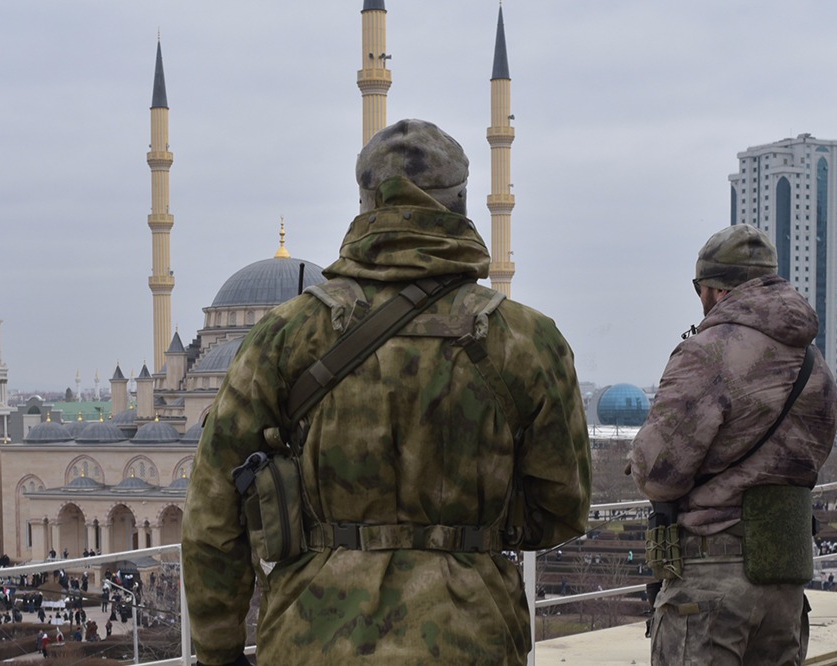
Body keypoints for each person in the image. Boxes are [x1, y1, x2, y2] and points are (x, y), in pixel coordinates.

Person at [181, 118, 591, 665]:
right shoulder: (526, 340)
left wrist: (219, 652)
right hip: (472, 636)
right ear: (461, 203)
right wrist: (467, 522)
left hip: (312, 639)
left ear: (365, 203)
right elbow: (561, 507)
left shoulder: (286, 336)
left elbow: (213, 511)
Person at [630, 224, 837, 665]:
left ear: (716, 289)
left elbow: (657, 473)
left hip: (712, 583)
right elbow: (813, 458)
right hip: (783, 579)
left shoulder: (708, 352)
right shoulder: (814, 363)